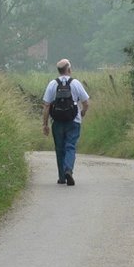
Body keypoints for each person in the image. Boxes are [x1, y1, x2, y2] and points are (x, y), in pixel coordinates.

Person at [42, 58, 90, 186]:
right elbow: (86, 102)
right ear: (69, 69)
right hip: (74, 121)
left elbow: (46, 106)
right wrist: (83, 112)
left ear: (59, 70)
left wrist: (45, 124)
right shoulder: (75, 83)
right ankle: (68, 169)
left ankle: (62, 177)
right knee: (70, 146)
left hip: (57, 121)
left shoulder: (52, 84)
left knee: (59, 148)